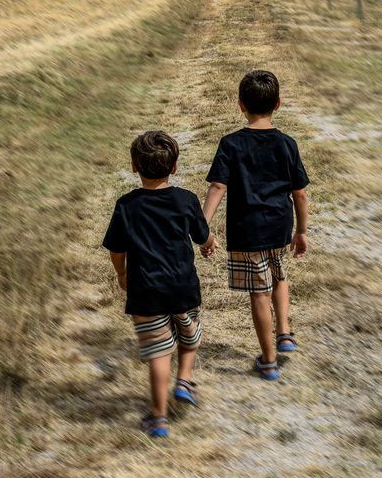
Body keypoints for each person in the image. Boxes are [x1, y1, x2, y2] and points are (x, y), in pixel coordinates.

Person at [103, 130, 215, 438]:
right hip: (182, 287)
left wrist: (122, 274)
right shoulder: (186, 200)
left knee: (158, 352)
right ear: (175, 166)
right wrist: (210, 243)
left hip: (145, 290)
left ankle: (158, 416)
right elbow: (202, 235)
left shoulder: (127, 205)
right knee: (190, 334)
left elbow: (116, 248)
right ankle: (185, 380)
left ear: (134, 167)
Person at [203, 69, 309, 381]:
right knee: (280, 276)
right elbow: (300, 193)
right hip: (279, 226)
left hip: (247, 231)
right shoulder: (287, 144)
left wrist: (201, 225)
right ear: (279, 103)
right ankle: (285, 331)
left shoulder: (231, 144)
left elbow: (218, 188)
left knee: (259, 294)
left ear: (240, 105)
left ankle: (269, 360)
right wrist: (301, 231)